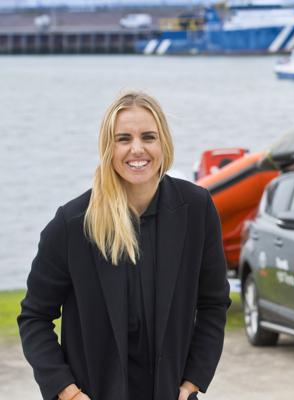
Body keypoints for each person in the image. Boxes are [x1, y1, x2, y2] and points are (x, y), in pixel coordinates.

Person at [17, 91, 231, 400]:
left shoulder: (197, 209)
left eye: (148, 137)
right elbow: (34, 317)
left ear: (164, 144)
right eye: (123, 139)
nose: (137, 149)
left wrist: (193, 381)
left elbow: (213, 303)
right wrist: (68, 393)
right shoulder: (73, 223)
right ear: (108, 147)